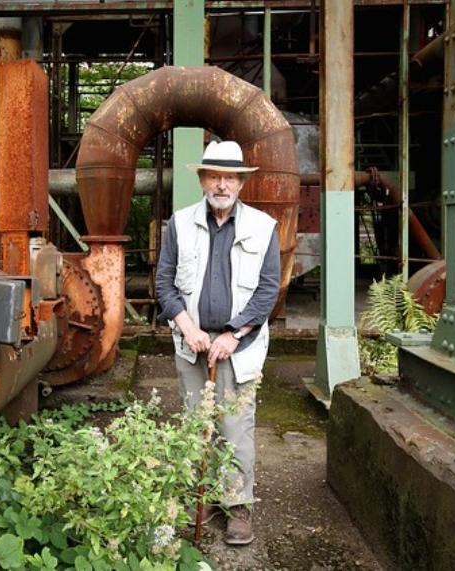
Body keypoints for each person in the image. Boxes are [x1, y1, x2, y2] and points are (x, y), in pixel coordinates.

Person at [155, 140, 280, 546]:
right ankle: (203, 497)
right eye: (214, 176)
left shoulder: (263, 227)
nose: (222, 184)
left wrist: (233, 333)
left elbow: (267, 291)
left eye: (230, 177)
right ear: (202, 179)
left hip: (238, 345)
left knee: (234, 426)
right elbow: (164, 282)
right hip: (192, 341)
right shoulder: (180, 222)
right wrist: (188, 327)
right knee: (196, 424)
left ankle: (238, 506)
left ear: (241, 182)